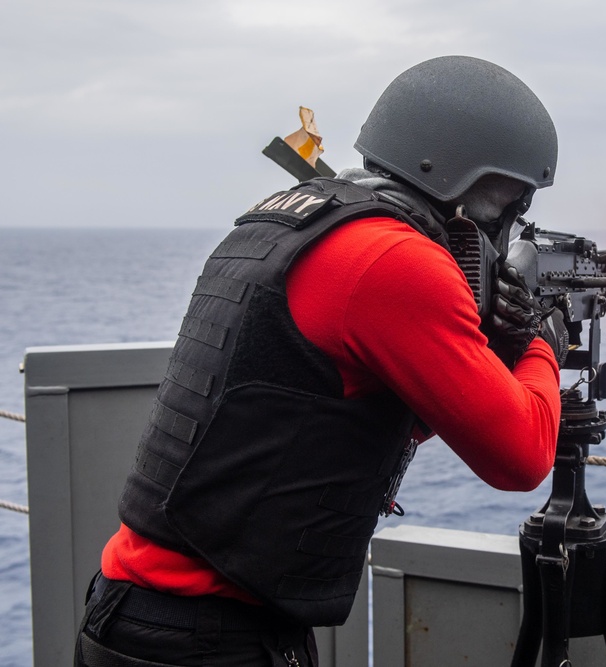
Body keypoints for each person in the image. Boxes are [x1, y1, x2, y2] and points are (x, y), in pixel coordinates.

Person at [74, 55, 568, 667]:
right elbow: (521, 458)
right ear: (469, 184)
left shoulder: (294, 225)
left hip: (136, 615)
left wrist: (486, 347)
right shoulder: (395, 262)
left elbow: (376, 410)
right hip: (210, 638)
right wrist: (540, 340)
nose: (506, 223)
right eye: (509, 203)